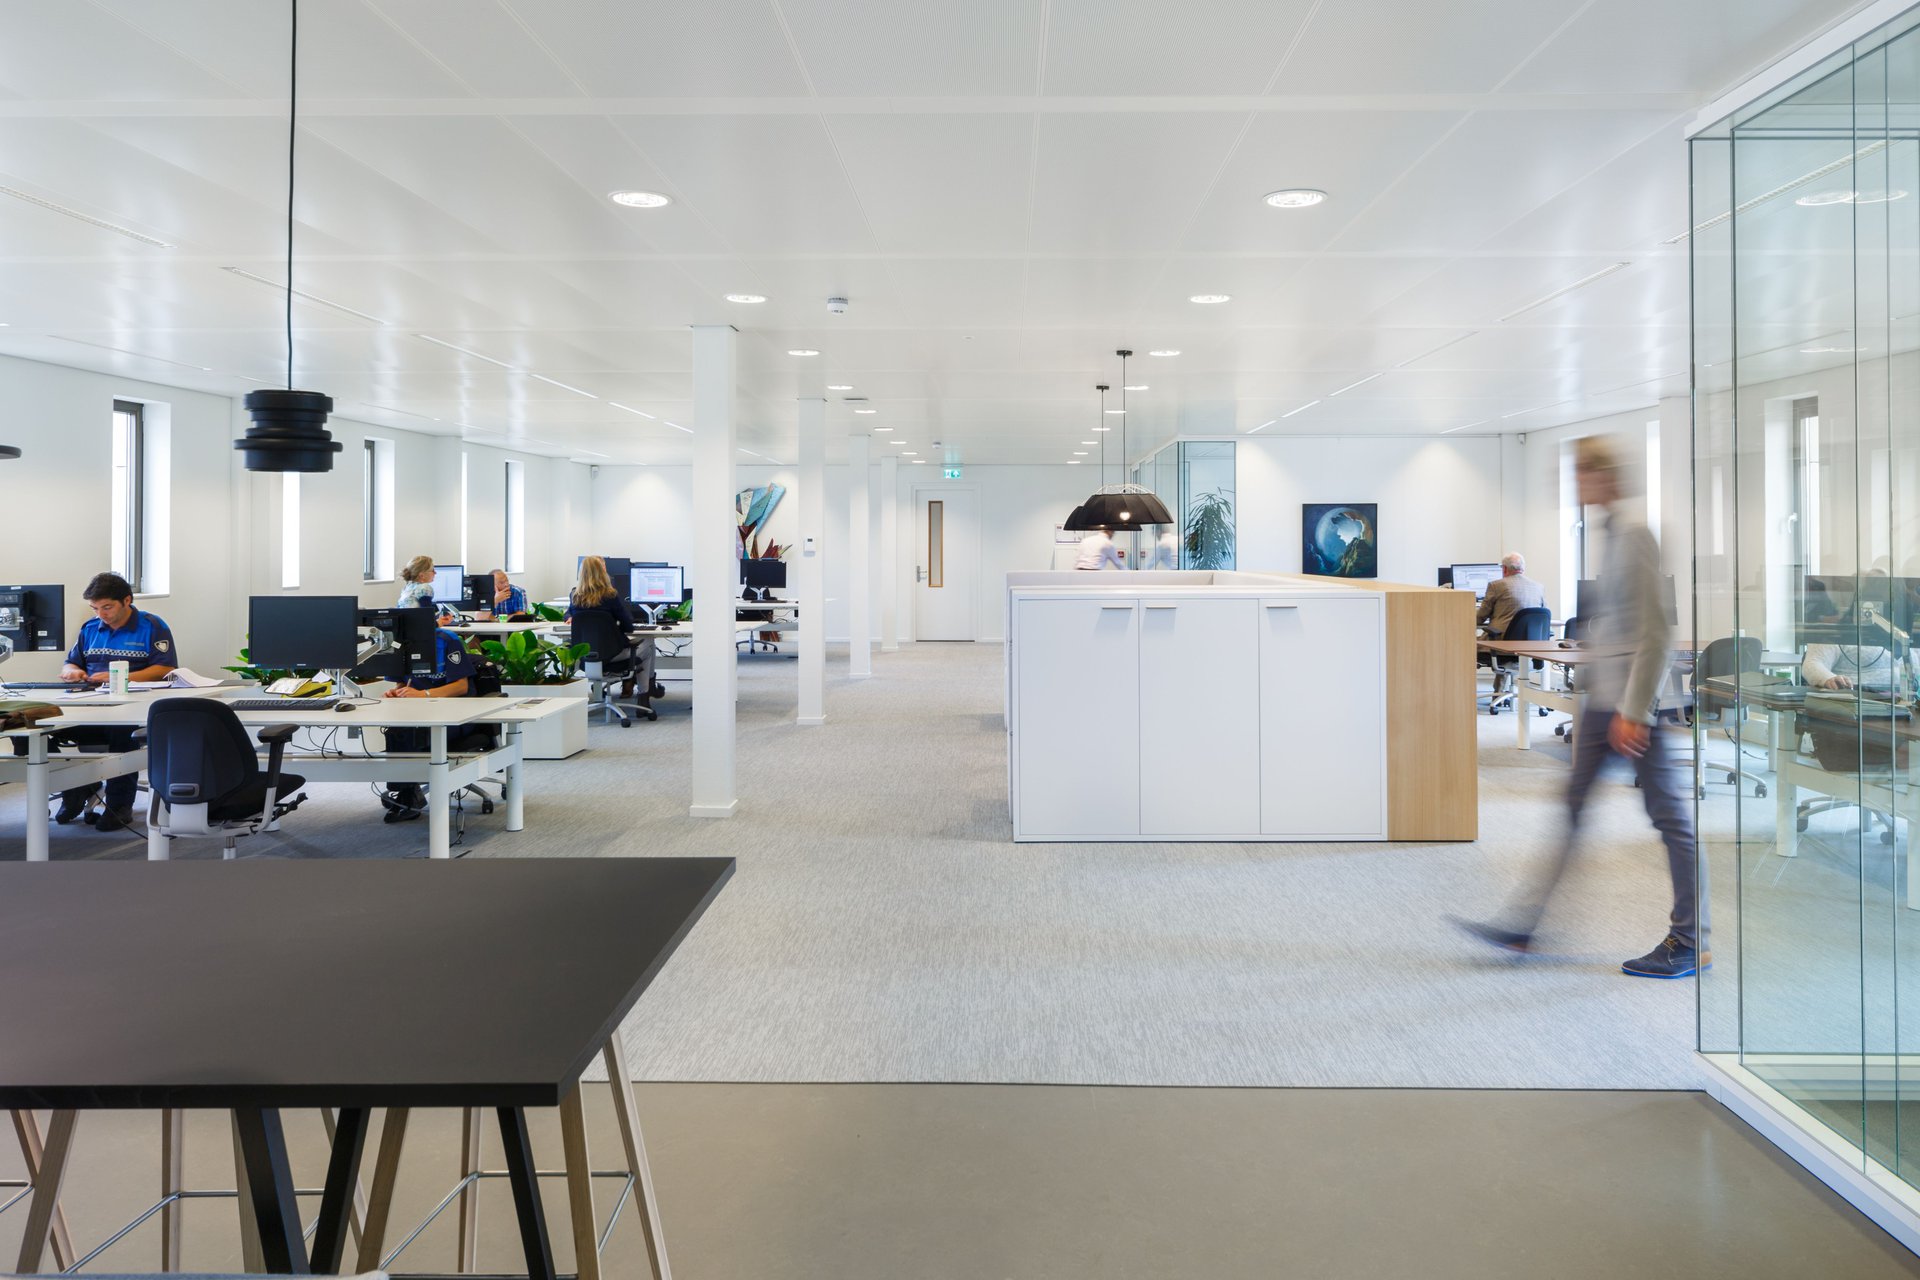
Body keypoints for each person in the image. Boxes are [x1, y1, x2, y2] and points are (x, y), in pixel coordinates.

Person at [1454, 435, 1704, 978]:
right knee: (1571, 810)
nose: (1574, 484)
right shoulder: (1610, 535)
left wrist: (1634, 711)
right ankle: (1526, 926)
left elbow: (1658, 631)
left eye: (1582, 473)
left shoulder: (1636, 536)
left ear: (1604, 477)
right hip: (1604, 700)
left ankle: (1689, 939)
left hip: (1637, 706)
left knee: (1670, 820)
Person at [55, 572, 179, 832]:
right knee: (43, 729)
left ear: (127, 600)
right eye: (95, 608)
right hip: (90, 706)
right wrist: (71, 671)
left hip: (131, 707)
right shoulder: (90, 628)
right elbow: (72, 661)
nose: (101, 614)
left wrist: (119, 677)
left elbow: (164, 668)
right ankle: (77, 787)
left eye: (107, 607)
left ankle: (119, 804)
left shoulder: (152, 626)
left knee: (120, 733)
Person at [377, 625, 477, 823]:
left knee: (408, 733)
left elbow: (461, 686)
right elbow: (403, 683)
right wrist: (397, 693)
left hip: (454, 715)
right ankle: (405, 790)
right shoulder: (399, 641)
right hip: (416, 714)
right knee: (396, 730)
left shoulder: (447, 640)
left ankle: (407, 794)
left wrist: (425, 694)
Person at [1476, 552, 1546, 637]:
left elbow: (1480, 617)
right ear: (1523, 569)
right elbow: (1543, 615)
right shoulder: (1538, 587)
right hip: (1531, 642)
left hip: (1501, 640)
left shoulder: (1496, 585)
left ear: (1504, 568)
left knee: (1469, 645)